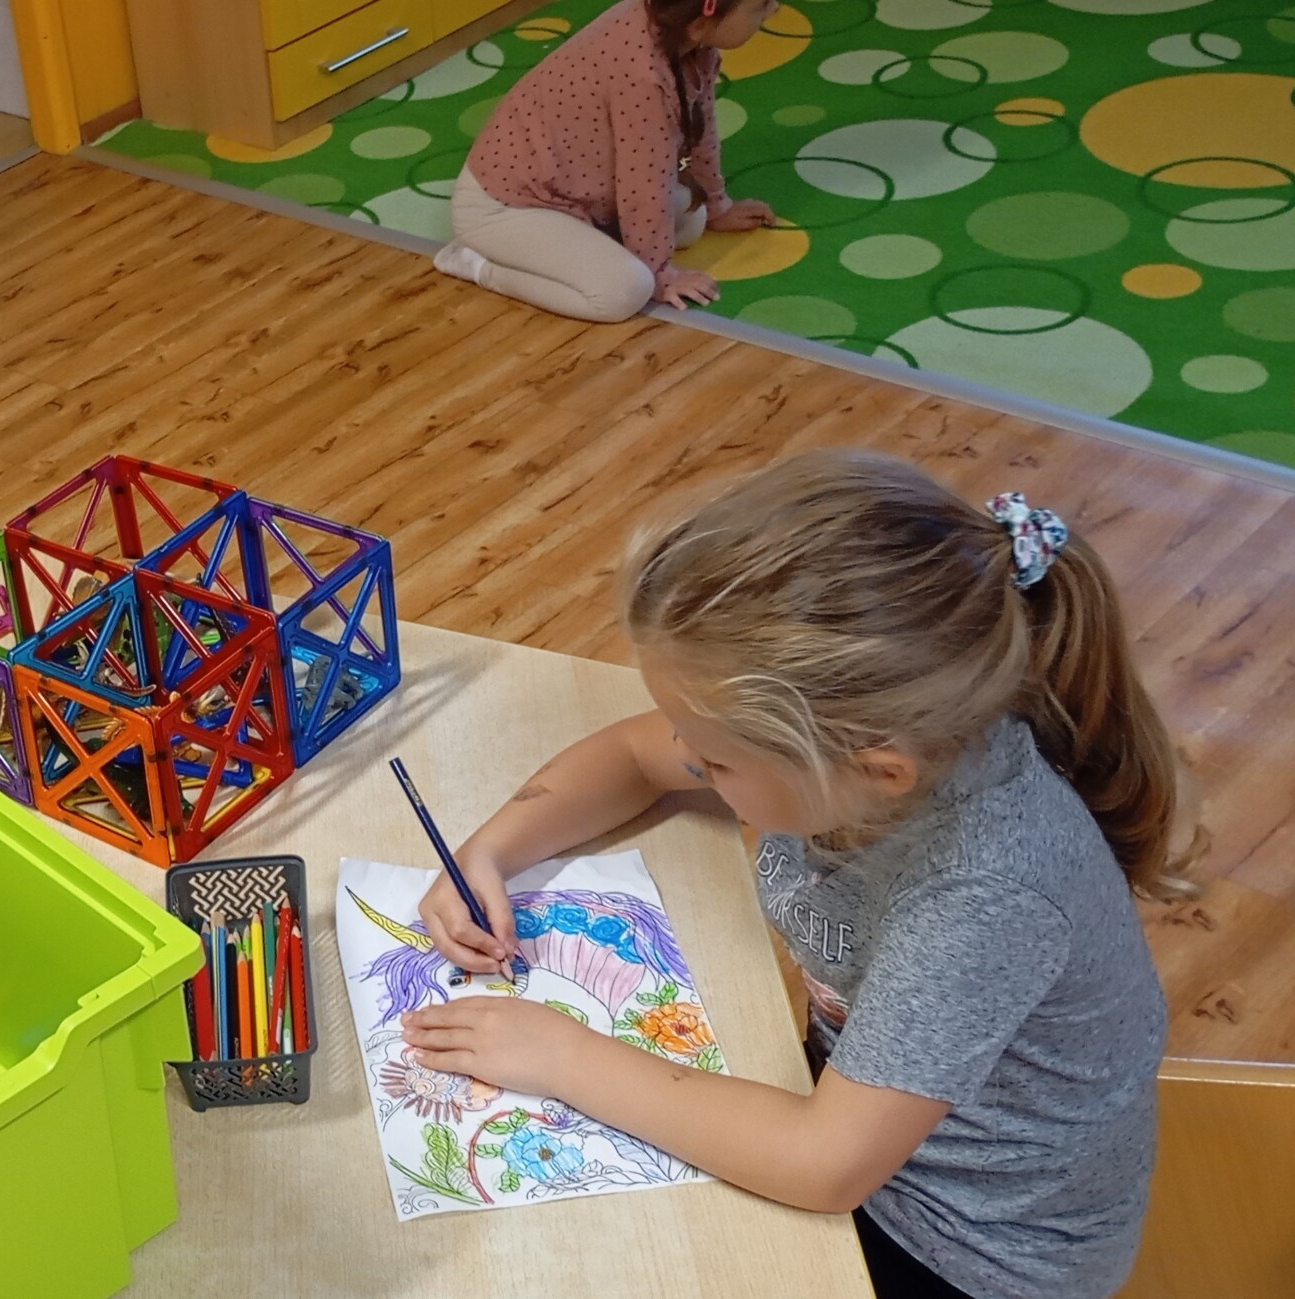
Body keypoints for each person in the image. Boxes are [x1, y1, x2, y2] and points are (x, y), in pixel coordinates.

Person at [401, 450, 1185, 1299]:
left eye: (714, 761)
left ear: (875, 772)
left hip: (965, 1248)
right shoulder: (867, 745)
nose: (685, 757)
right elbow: (632, 755)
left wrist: (560, 1055)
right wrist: (490, 852)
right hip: (861, 1114)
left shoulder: (983, 896)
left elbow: (823, 1165)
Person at [436, 0, 783, 322]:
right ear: (700, 23)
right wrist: (659, 274)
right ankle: (478, 264)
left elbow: (699, 125)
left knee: (693, 219)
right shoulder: (642, 73)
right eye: (761, 6)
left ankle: (592, 246)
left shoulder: (680, 32)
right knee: (626, 291)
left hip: (574, 193)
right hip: (506, 206)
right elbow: (643, 183)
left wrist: (717, 205)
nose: (774, 9)